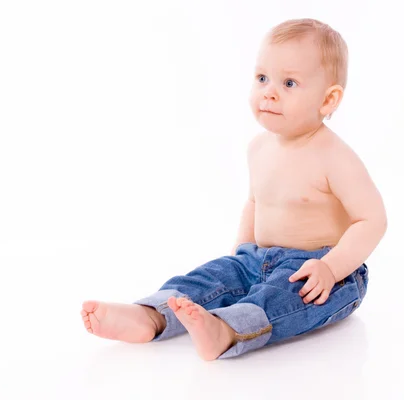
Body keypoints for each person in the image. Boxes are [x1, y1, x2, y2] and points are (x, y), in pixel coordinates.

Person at [81, 18, 387, 361]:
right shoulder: (258, 147)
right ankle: (151, 315)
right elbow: (255, 203)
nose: (269, 91)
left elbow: (372, 220)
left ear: (328, 100)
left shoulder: (335, 157)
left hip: (320, 269)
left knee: (286, 297)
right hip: (256, 257)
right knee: (208, 278)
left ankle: (226, 330)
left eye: (289, 83)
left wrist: (332, 268)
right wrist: (240, 253)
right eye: (262, 78)